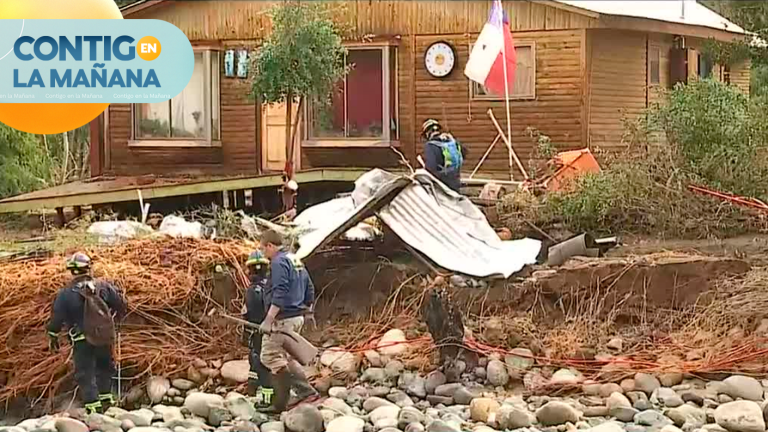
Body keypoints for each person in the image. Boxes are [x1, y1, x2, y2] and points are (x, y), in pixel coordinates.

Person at [47, 252, 127, 415]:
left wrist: (53, 334)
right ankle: (107, 399)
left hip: (81, 339)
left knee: (85, 371)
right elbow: (121, 305)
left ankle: (93, 405)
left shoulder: (65, 294)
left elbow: (57, 318)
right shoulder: (103, 286)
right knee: (105, 367)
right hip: (103, 336)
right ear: (89, 268)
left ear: (71, 271)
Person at [258, 229, 318, 414]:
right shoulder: (294, 259)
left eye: (263, 249)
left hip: (282, 319)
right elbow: (309, 287)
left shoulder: (278, 262)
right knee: (287, 357)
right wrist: (308, 310)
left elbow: (281, 291)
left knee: (270, 356)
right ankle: (306, 393)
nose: (263, 253)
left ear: (270, 245)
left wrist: (269, 319)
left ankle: (280, 404)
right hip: (296, 316)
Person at [242, 250, 274, 407]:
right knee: (257, 359)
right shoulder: (271, 286)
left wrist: (246, 331)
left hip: (258, 330)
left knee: (259, 361)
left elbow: (249, 313)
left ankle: (267, 398)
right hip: (270, 329)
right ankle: (252, 386)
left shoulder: (252, 290)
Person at [421, 118, 467, 193]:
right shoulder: (451, 142)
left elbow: (431, 168)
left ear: (427, 134)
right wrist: (453, 140)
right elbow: (464, 153)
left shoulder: (430, 146)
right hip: (455, 182)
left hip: (441, 186)